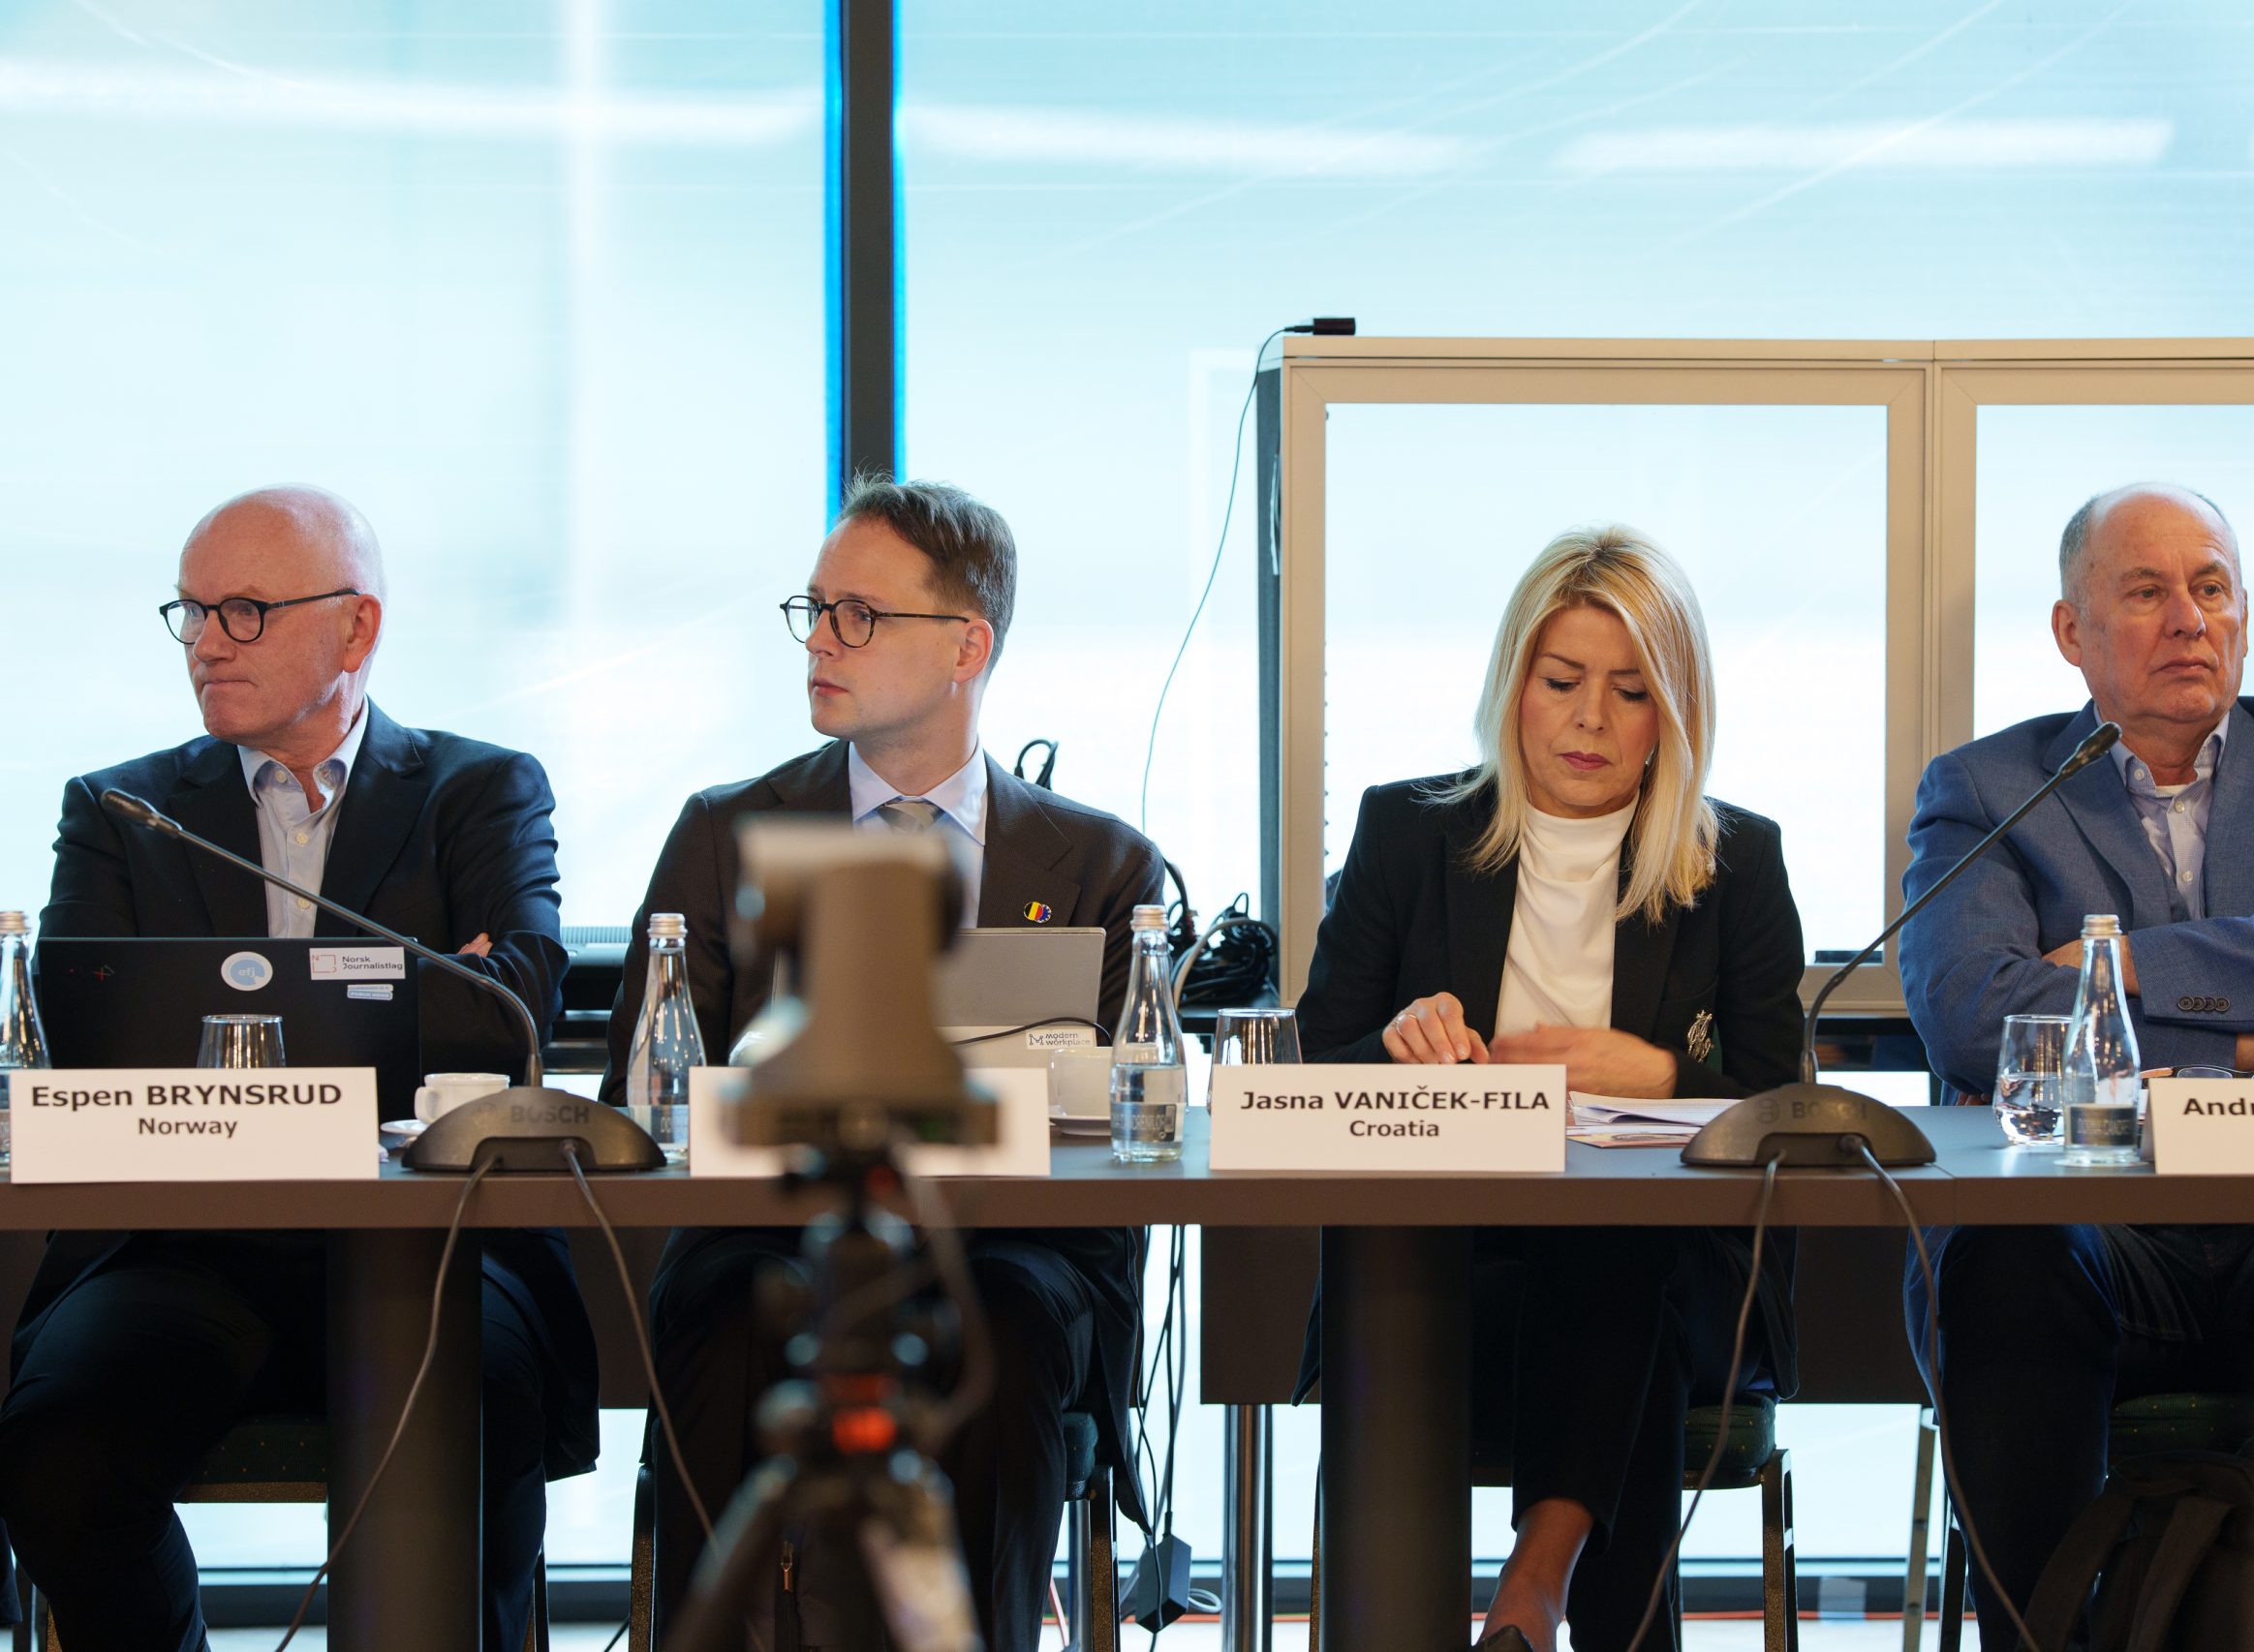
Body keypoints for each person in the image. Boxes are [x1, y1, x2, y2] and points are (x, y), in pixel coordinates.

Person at [0, 485, 598, 1652]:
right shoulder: (125, 810)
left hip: (436, 1248)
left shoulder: (479, 790)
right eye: (191, 611)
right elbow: (94, 1035)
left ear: (356, 625)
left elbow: (513, 1010)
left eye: (245, 610)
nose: (206, 642)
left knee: (477, 1419)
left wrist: (242, 1027)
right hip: (184, 1246)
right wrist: (403, 992)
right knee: (56, 1452)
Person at [609, 476, 1164, 1650]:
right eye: (813, 608)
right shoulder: (726, 831)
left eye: (857, 614)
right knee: (721, 1313)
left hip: (1016, 1241)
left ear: (967, 645)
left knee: (1007, 1324)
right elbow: (643, 1092)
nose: (820, 639)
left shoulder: (1103, 863)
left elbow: (1128, 1127)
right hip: (774, 1229)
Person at [1897, 483, 2254, 1651]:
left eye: (2210, 588)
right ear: (2073, 631)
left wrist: (2123, 965)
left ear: (2243, 611)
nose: (2189, 618)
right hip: (2096, 1239)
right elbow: (1971, 1011)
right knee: (2001, 1256)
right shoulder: (1988, 790)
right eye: (2147, 591)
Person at [1293, 526, 1806, 1652]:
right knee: (1574, 1299)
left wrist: (1659, 1075)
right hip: (1448, 1261)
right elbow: (1314, 1070)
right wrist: (1397, 1045)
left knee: (1616, 1232)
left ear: (1674, 712)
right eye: (1562, 679)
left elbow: (1786, 1105)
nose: (1589, 720)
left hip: (1672, 1275)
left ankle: (1530, 1586)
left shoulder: (1736, 863)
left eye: (1630, 691)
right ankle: (1547, 1605)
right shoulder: (1407, 831)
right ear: (1512, 683)